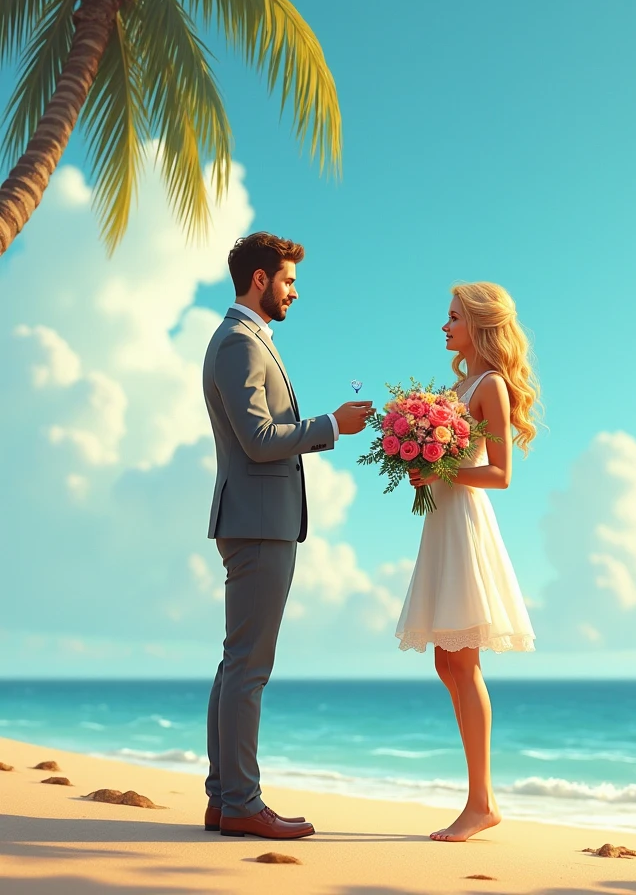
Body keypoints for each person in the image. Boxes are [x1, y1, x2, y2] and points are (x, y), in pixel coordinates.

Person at [202, 231, 373, 840]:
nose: (294, 293)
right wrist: (331, 424)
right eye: (289, 281)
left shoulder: (241, 341)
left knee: (236, 665)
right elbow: (258, 440)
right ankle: (243, 803)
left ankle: (225, 799)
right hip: (257, 523)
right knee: (249, 668)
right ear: (259, 280)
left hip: (254, 519)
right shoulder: (239, 344)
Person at [396, 281, 539, 842]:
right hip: (442, 524)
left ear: (478, 324)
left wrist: (440, 470)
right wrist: (415, 459)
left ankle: (481, 803)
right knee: (445, 662)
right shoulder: (457, 385)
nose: (444, 326)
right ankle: (482, 798)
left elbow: (501, 475)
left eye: (452, 317)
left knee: (464, 662)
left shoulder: (491, 386)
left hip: (465, 527)